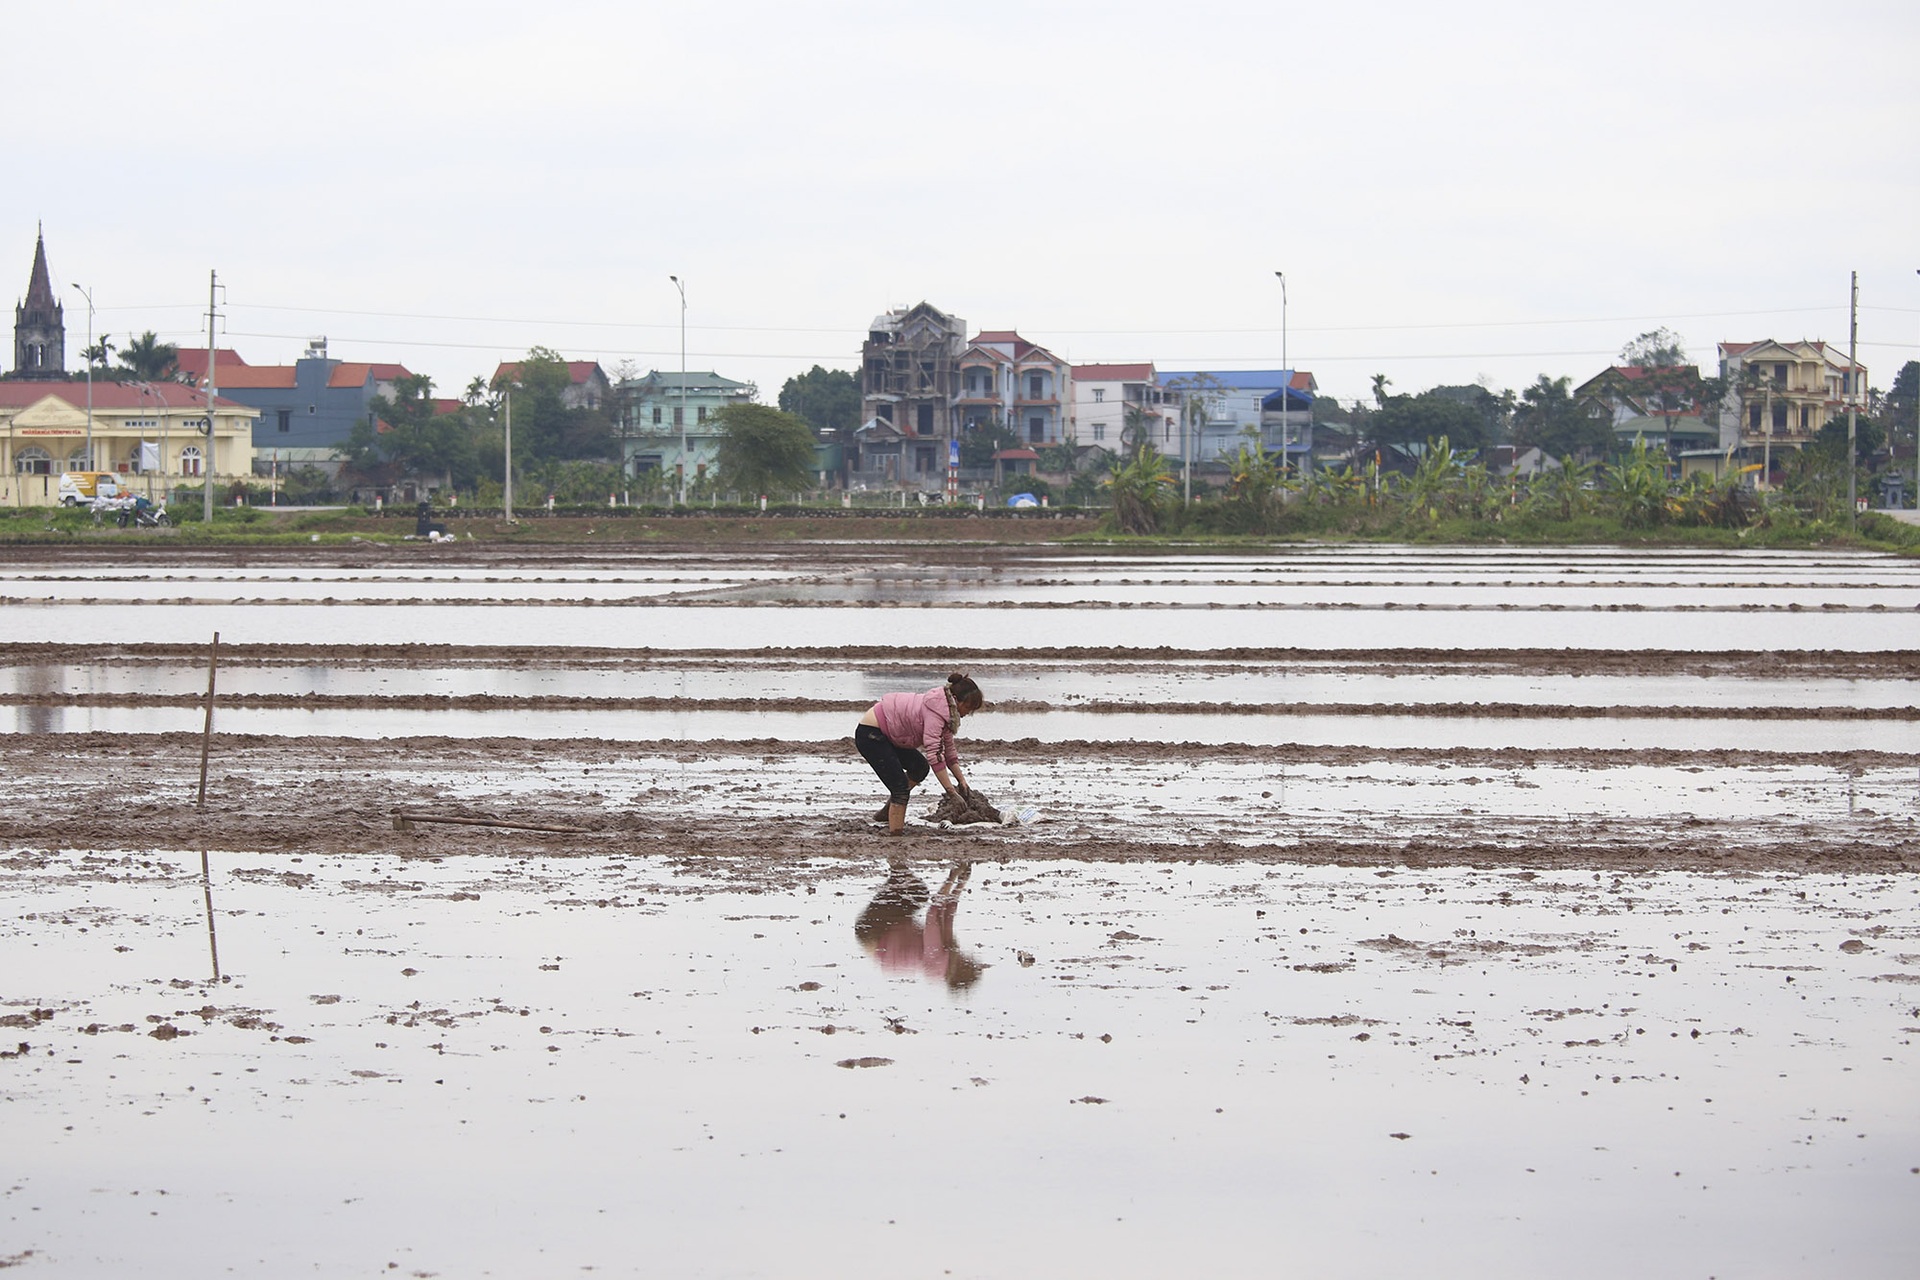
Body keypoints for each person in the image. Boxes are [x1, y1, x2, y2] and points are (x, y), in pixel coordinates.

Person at [855, 672, 983, 835]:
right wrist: (951, 792)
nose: (969, 712)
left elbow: (949, 752)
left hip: (891, 733)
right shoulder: (936, 712)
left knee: (919, 767)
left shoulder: (947, 712)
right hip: (872, 734)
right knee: (900, 789)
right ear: (956, 700)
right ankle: (896, 836)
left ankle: (885, 814)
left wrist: (962, 782)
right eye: (969, 707)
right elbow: (935, 756)